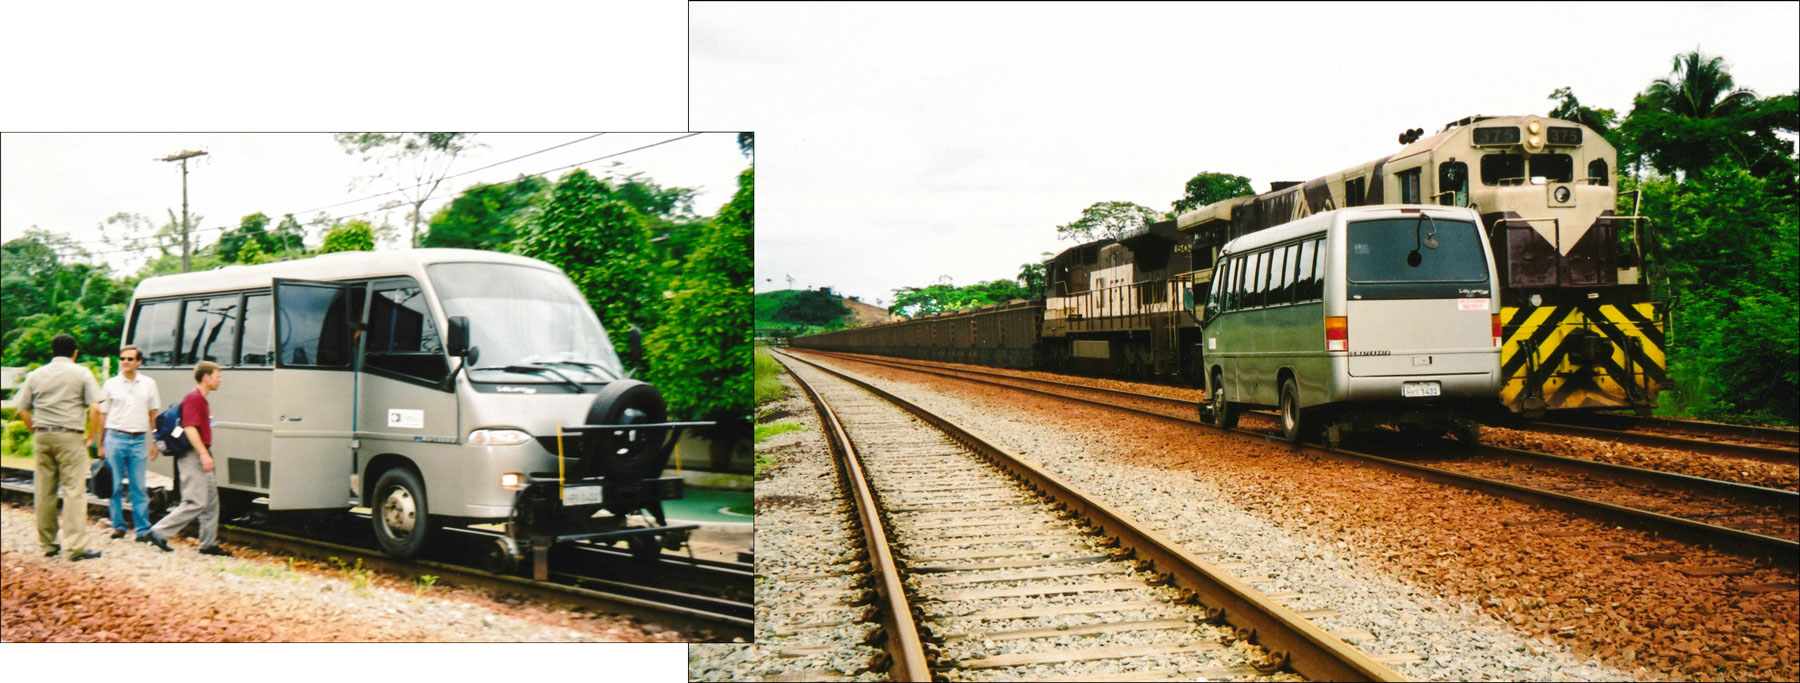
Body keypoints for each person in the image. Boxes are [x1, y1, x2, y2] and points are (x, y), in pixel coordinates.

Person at [15, 334, 103, 561]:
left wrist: (35, 429)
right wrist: (92, 436)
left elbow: (22, 409)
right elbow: (95, 408)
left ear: (52, 352)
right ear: (75, 353)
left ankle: (48, 544)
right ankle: (76, 547)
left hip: (43, 436)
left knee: (44, 491)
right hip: (69, 436)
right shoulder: (82, 373)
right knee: (74, 491)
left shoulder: (36, 375)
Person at [143, 360, 232, 557]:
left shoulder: (200, 399)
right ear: (206, 377)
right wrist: (203, 454)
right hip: (193, 455)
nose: (220, 380)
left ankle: (208, 544)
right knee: (195, 502)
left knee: (210, 503)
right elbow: (190, 428)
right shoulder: (194, 399)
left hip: (199, 453)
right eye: (218, 376)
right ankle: (157, 532)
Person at [92, 345, 160, 541]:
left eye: (130, 359)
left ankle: (142, 529)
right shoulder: (110, 384)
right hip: (115, 437)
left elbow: (153, 414)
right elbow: (103, 415)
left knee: (138, 486)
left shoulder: (149, 384)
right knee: (113, 485)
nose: (125, 362)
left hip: (138, 439)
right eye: (122, 359)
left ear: (139, 362)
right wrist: (101, 443)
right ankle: (118, 525)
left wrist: (155, 441)